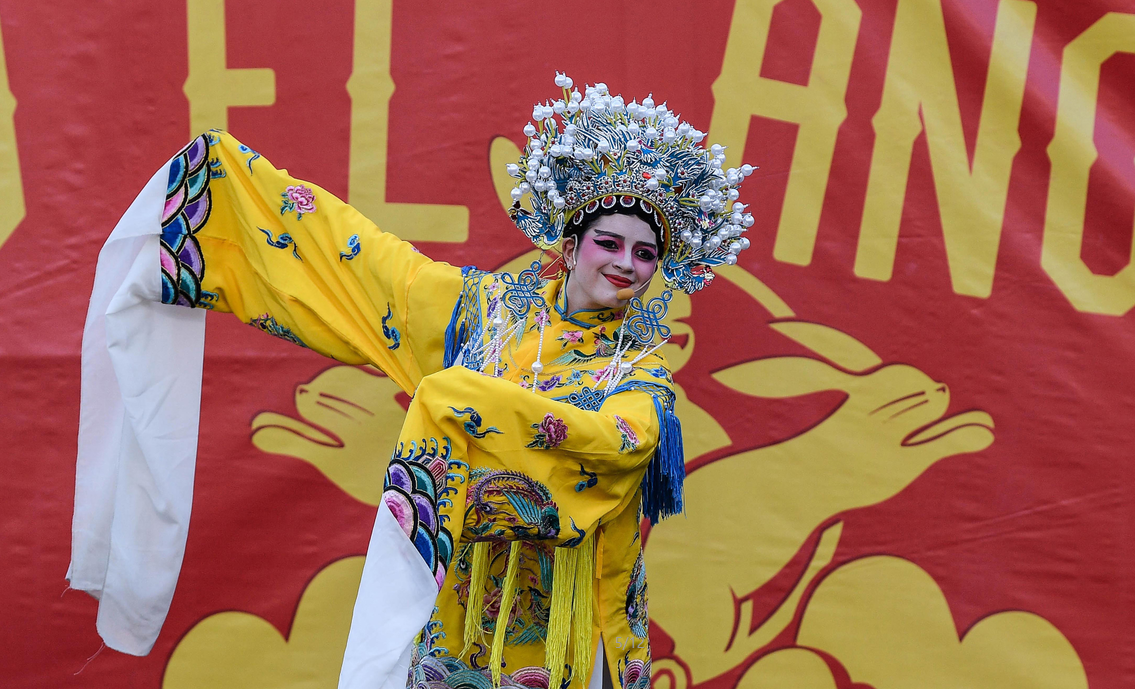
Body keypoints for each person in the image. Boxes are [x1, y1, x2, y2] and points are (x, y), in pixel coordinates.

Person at [69, 73, 755, 689]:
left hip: (562, 636)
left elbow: (618, 440)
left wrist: (466, 401)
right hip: (455, 609)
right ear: (569, 247)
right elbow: (370, 268)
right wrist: (232, 190)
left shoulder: (638, 372)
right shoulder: (483, 312)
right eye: (609, 243)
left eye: (644, 254)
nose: (626, 265)